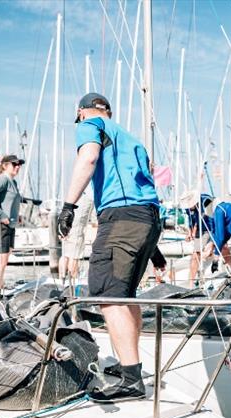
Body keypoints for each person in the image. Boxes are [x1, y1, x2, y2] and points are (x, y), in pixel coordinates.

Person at [58, 92, 161, 402]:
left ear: (81, 113)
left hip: (121, 217)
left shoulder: (92, 125)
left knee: (106, 292)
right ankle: (129, 365)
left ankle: (131, 381)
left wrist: (68, 206)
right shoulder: (132, 139)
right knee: (125, 294)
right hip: (148, 217)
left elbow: (88, 157)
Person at [0, 154, 42, 298]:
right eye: (14, 164)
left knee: (4, 262)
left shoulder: (12, 182)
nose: (18, 166)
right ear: (5, 165)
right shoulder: (3, 179)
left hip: (9, 227)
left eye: (19, 164)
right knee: (0, 262)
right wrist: (1, 215)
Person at [59, 191, 94, 281]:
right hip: (84, 199)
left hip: (76, 201)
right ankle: (73, 284)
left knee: (66, 253)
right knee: (75, 254)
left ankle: (61, 281)